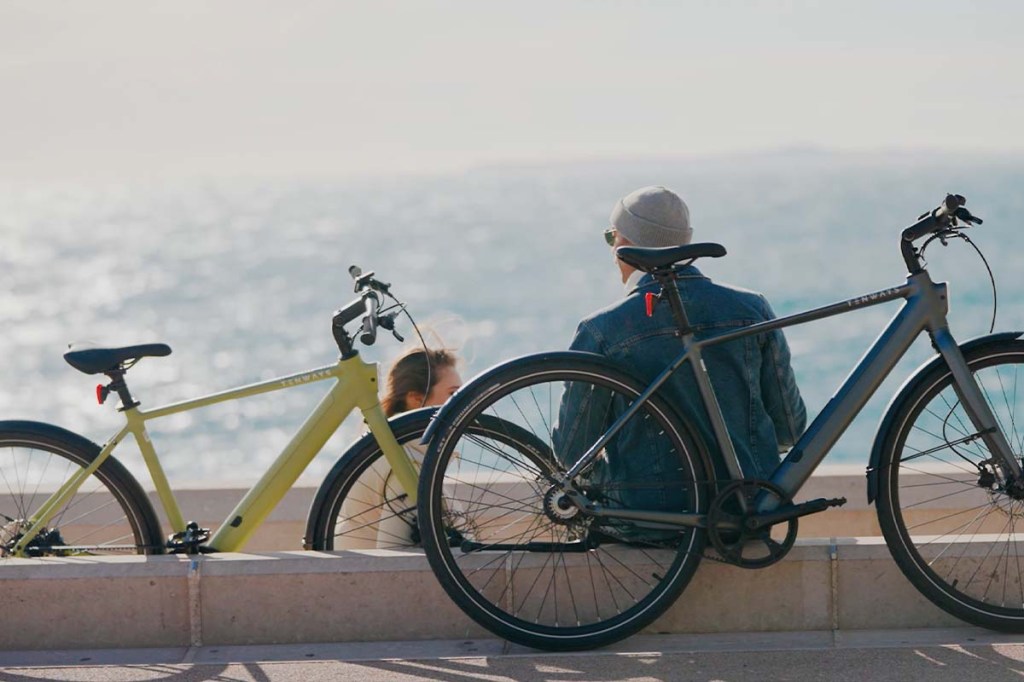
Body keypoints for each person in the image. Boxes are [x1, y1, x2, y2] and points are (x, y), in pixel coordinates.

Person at [566, 185, 806, 489]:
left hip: (649, 519)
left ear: (623, 243)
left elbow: (572, 453)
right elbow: (790, 430)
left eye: (610, 236)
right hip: (750, 508)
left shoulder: (600, 329)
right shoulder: (752, 308)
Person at [335, 347, 462, 549]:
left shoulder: (395, 446)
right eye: (453, 394)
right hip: (363, 578)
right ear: (416, 398)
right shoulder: (406, 462)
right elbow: (394, 560)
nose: (463, 403)